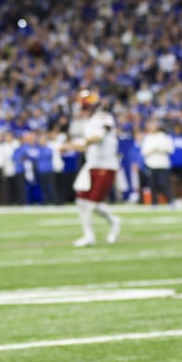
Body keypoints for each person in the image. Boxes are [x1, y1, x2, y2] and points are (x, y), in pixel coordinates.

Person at [69, 90, 122, 247]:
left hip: (106, 165)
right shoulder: (88, 123)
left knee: (93, 204)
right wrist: (67, 147)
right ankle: (89, 236)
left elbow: (98, 137)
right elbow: (87, 145)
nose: (84, 111)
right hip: (92, 165)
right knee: (81, 201)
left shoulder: (104, 118)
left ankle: (113, 221)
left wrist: (81, 143)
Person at [140, 119, 175, 208]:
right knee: (152, 185)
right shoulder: (147, 138)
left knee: (164, 184)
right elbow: (144, 151)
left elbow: (171, 149)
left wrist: (160, 149)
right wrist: (153, 149)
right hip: (151, 165)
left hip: (163, 164)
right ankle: (154, 202)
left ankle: (170, 201)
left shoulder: (164, 137)